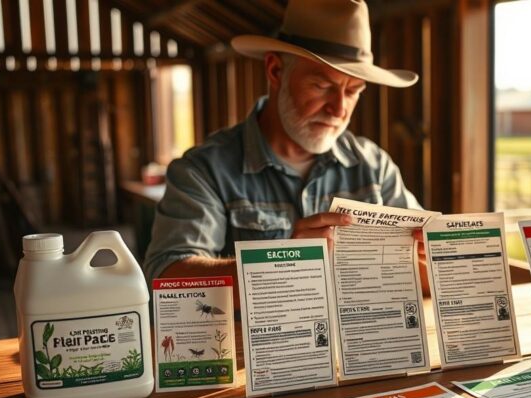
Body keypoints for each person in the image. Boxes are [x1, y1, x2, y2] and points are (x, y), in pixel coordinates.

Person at [143, 0, 423, 284]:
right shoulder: (205, 170)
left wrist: (434, 256)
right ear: (275, 70)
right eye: (322, 86)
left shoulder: (375, 167)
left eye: (352, 92)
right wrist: (283, 263)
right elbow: (166, 276)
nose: (339, 110)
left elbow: (424, 270)